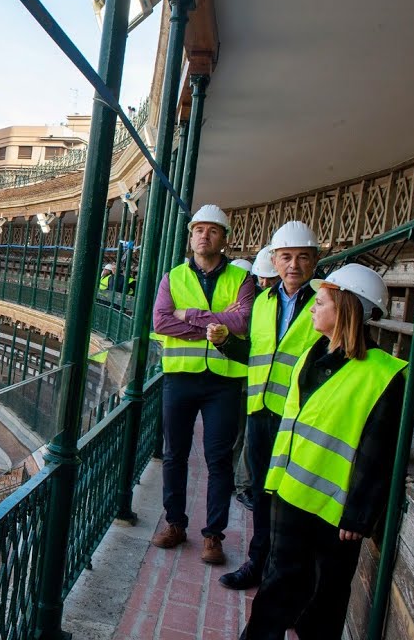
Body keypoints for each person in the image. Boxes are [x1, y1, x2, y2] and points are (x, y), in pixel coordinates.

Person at [239, 262, 405, 640]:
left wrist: (359, 515)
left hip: (335, 514)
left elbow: (378, 452)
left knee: (326, 597)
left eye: (321, 303)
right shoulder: (311, 356)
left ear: (345, 309)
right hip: (290, 493)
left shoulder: (384, 375)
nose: (312, 308)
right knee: (278, 584)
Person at [207, 222, 323, 591]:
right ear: (274, 260)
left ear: (315, 260)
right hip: (260, 412)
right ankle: (258, 564)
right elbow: (257, 355)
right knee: (260, 492)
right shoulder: (263, 303)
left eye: (302, 257)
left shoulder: (325, 300)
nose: (293, 265)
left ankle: (283, 574)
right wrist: (226, 343)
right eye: (286, 257)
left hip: (300, 418)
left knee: (289, 498)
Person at [150, 204, 254, 565]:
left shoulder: (241, 278)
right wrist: (213, 327)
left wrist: (190, 315)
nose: (204, 236)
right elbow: (162, 322)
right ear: (191, 236)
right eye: (198, 230)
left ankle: (213, 536)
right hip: (180, 377)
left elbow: (242, 322)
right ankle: (175, 524)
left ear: (224, 238)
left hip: (223, 382)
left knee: (218, 460)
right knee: (174, 455)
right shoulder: (173, 277)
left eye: (212, 230)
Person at [228, 244, 281, 512]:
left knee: (246, 436)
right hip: (247, 380)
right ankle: (241, 484)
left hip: (259, 382)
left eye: (269, 279)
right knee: (241, 435)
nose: (263, 283)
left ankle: (241, 484)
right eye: (260, 278)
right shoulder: (259, 303)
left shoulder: (262, 303)